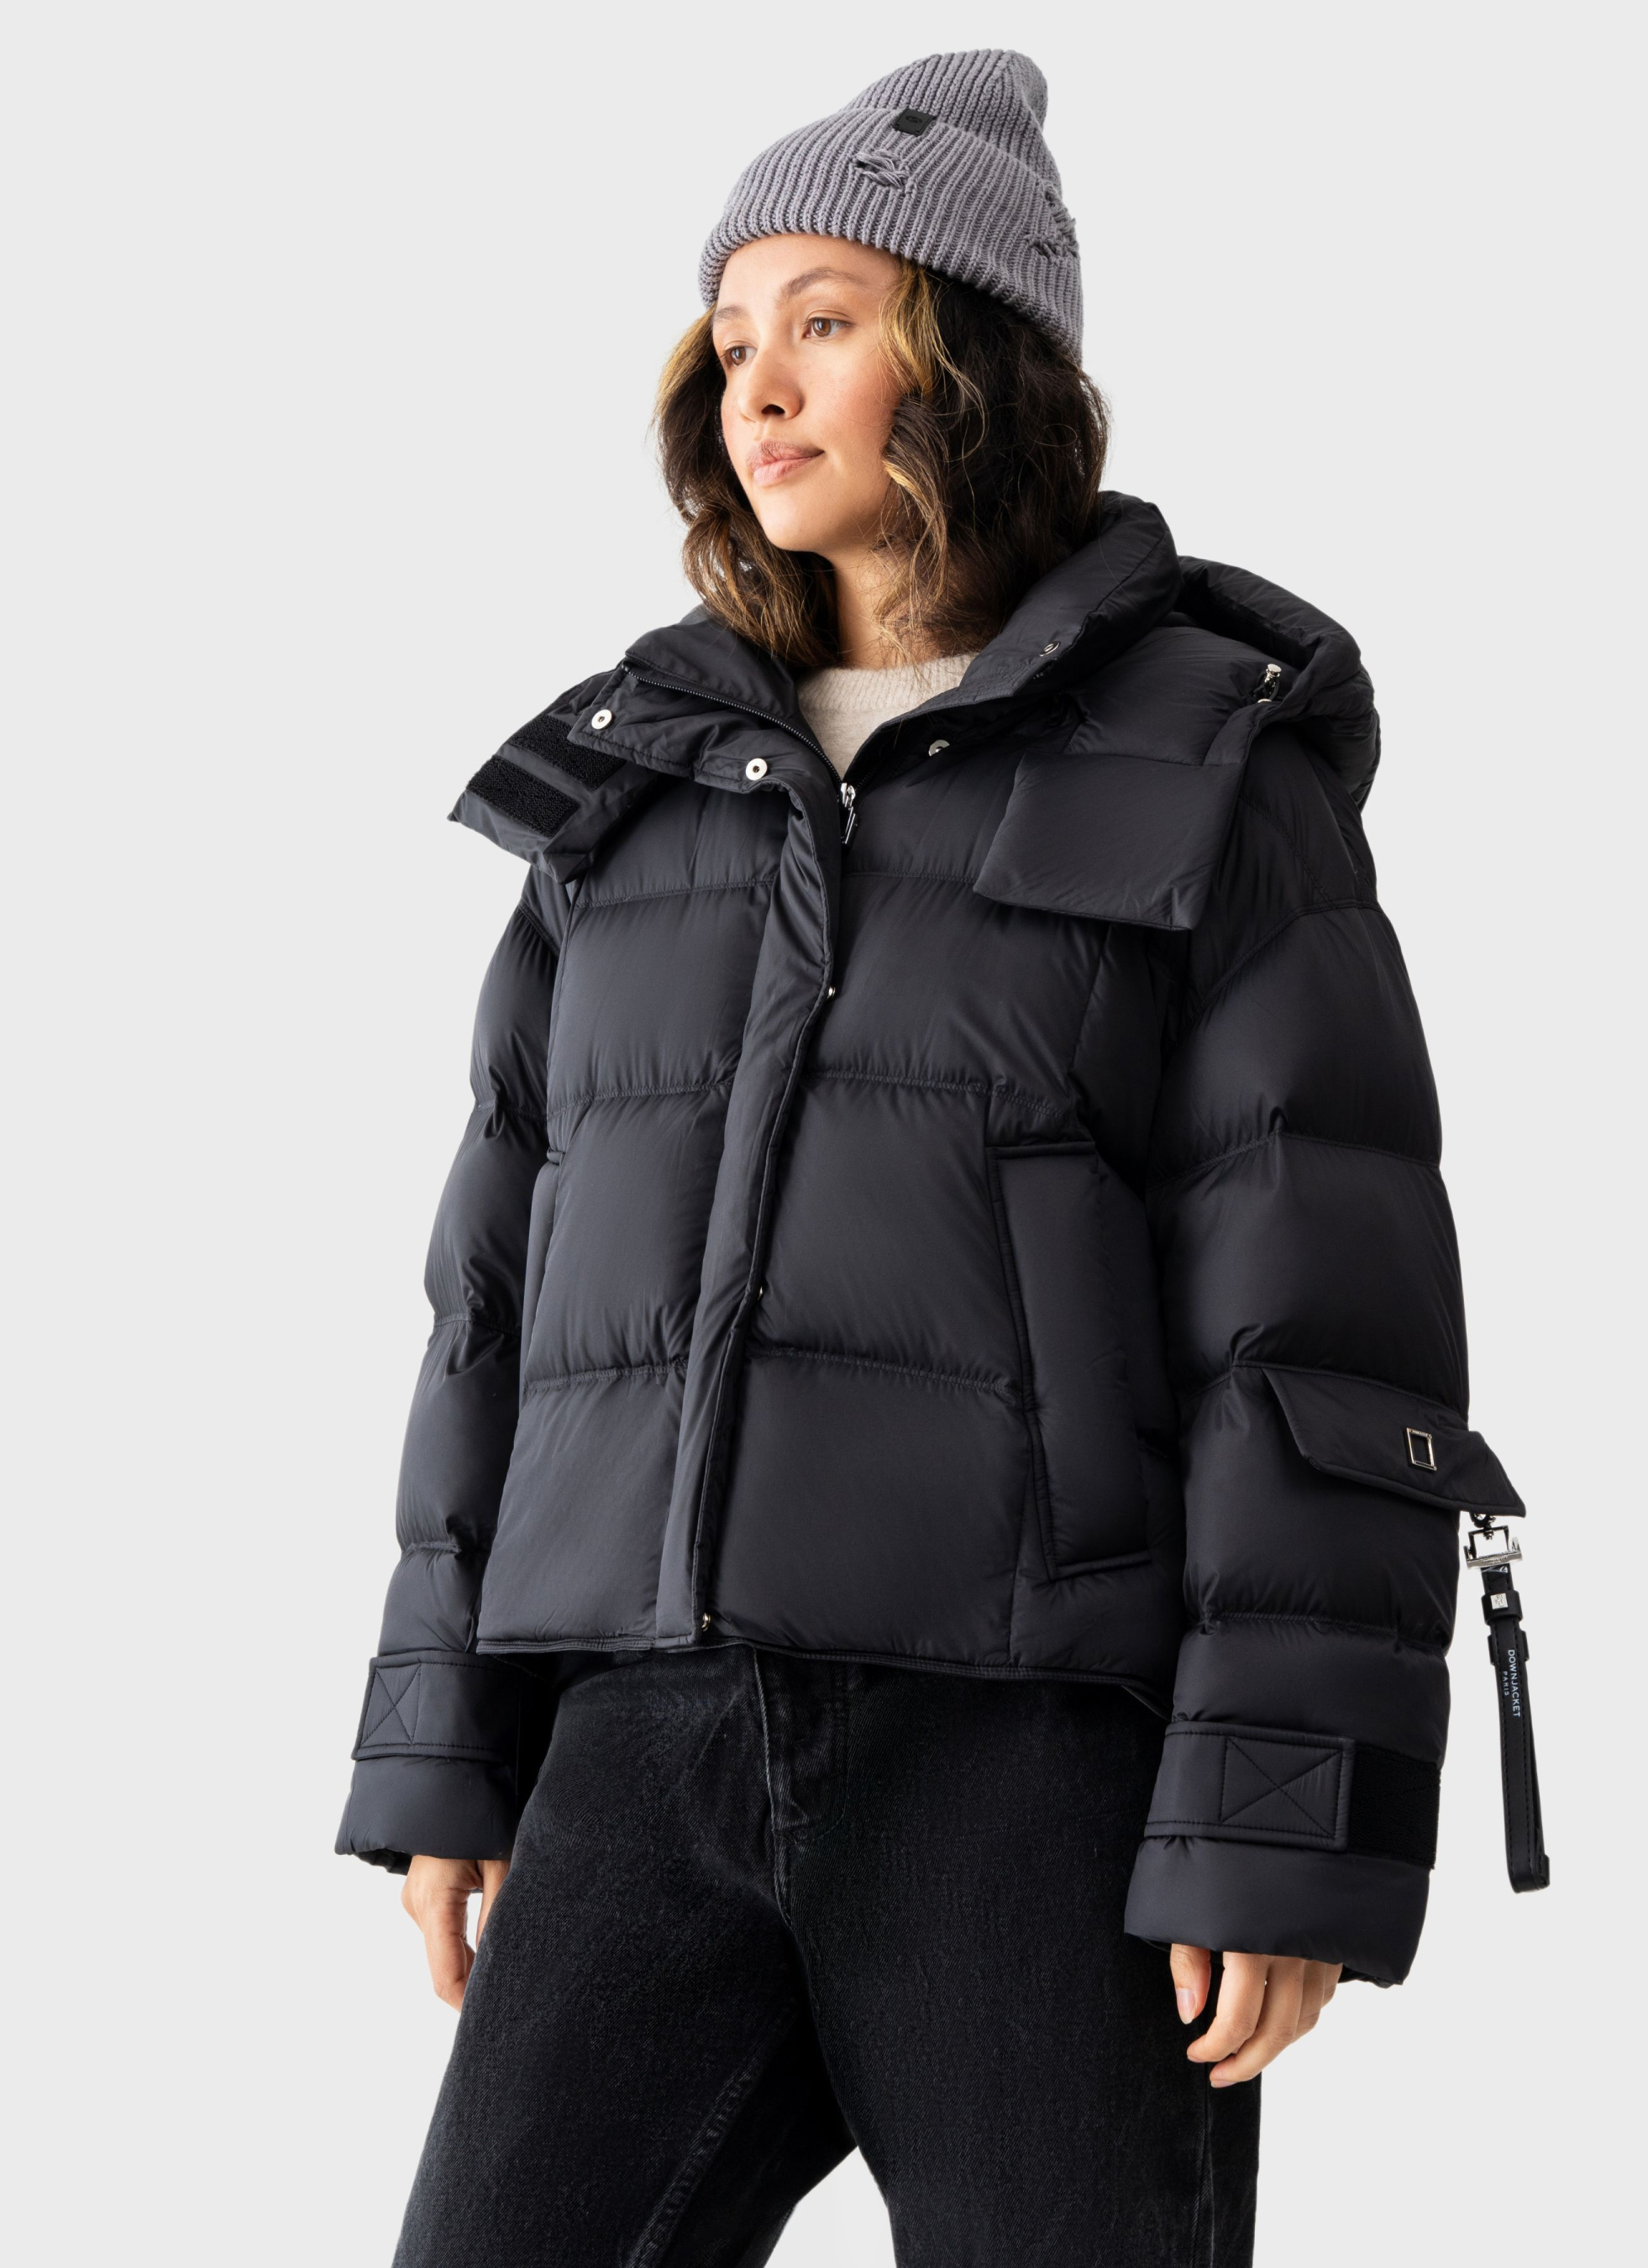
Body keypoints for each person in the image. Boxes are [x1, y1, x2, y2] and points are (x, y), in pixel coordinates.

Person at [337, 49, 1526, 2267]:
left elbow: (1317, 1320)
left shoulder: (1211, 770)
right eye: (731, 337)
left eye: (826, 319)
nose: (759, 386)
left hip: (1032, 1768)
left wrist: (1278, 1827)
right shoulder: (633, 798)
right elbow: (494, 1297)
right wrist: (447, 1742)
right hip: (640, 1744)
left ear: (973, 364)